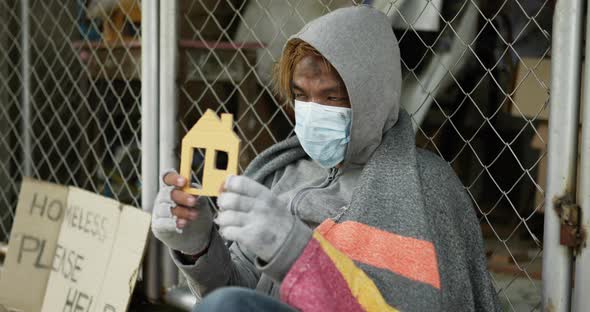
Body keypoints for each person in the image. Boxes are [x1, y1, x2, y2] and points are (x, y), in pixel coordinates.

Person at [151, 5, 500, 312]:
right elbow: (238, 291)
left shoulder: (423, 188)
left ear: (373, 98)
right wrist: (199, 246)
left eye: (331, 97)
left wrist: (293, 253)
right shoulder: (283, 173)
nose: (313, 112)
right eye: (301, 95)